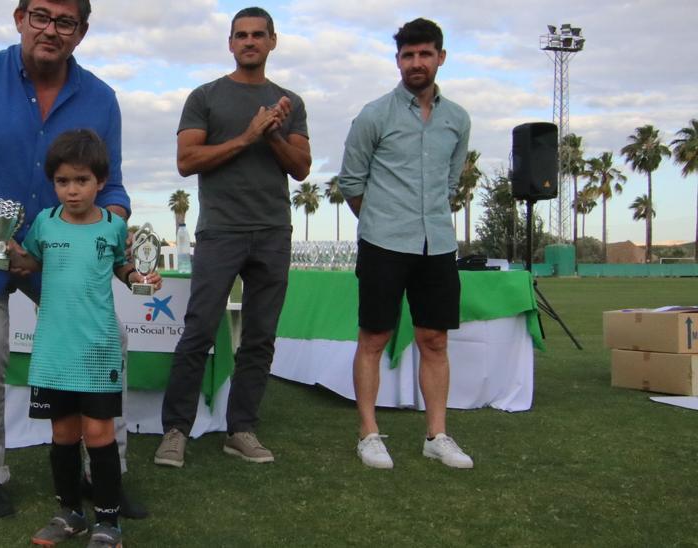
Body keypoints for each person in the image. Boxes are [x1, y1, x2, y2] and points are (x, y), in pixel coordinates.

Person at [0, 0, 144, 519]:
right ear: (19, 18)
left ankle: (102, 474)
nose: (50, 30)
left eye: (65, 21)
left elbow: (115, 185)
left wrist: (110, 226)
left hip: (63, 255)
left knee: (111, 345)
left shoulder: (101, 97)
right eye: (40, 15)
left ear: (81, 32)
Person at [154, 7, 310, 469]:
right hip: (221, 231)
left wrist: (273, 132)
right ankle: (175, 431)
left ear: (272, 42)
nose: (249, 42)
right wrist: (247, 136)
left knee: (260, 338)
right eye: (241, 35)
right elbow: (186, 160)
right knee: (198, 330)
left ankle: (240, 429)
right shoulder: (206, 96)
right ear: (230, 43)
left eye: (258, 35)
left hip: (272, 231)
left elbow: (301, 168)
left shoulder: (289, 102)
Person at [9, 130, 160, 548]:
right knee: (63, 435)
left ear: (99, 182)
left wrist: (139, 277)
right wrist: (3, 249)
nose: (72, 191)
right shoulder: (44, 222)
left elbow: (122, 268)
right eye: (62, 181)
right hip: (54, 350)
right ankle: (70, 514)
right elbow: (31, 262)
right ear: (53, 183)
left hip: (98, 349)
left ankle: (108, 522)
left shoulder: (114, 227)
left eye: (81, 181)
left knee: (99, 435)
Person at [338, 17, 474, 470]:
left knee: (434, 340)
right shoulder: (375, 114)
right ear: (398, 60)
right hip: (382, 243)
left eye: (425, 54)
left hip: (436, 245)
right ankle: (368, 434)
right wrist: (381, 221)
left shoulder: (458, 119)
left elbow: (450, 180)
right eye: (408, 55)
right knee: (374, 337)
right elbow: (351, 181)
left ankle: (436, 434)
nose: (416, 63)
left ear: (440, 57)